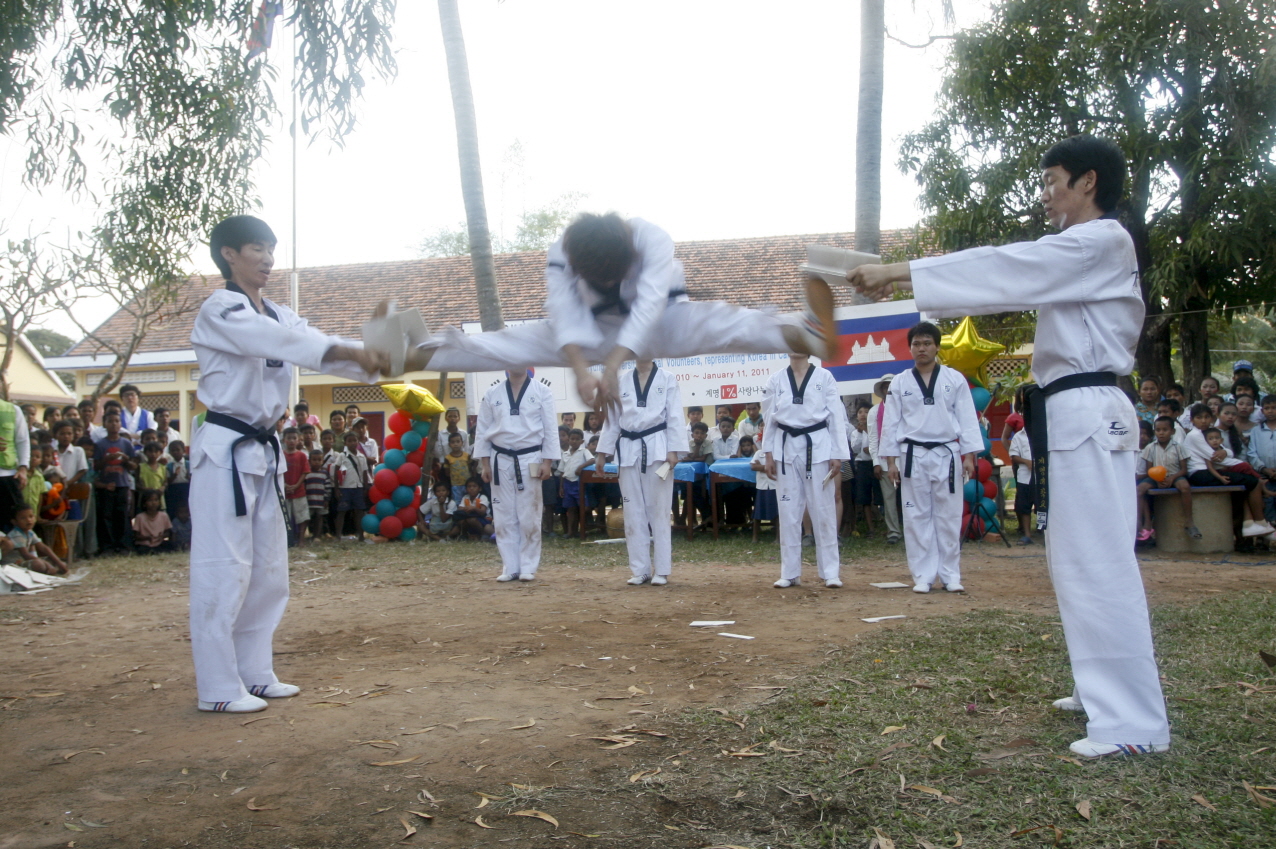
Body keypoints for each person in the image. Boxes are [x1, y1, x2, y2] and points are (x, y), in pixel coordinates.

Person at [846, 135, 1171, 759]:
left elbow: (1006, 268)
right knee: (1076, 557)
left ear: (1088, 183)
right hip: (1071, 411)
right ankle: (1099, 684)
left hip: (1086, 408)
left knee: (1095, 561)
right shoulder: (1086, 249)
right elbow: (1014, 272)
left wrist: (899, 272)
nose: (1046, 194)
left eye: (1054, 181)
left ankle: (1132, 721)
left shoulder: (1101, 240)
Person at [187, 214, 385, 714]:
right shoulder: (221, 309)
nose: (269, 260)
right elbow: (286, 346)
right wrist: (357, 353)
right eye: (258, 248)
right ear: (230, 254)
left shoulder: (278, 312)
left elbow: (320, 349)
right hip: (225, 451)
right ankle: (216, 687)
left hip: (263, 452)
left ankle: (255, 673)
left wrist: (381, 355)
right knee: (223, 569)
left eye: (273, 250)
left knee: (269, 570)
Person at [405, 213, 841, 409]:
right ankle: (414, 352)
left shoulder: (651, 238)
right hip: (590, 328)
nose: (611, 284)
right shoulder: (563, 252)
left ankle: (808, 334)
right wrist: (581, 371)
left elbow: (650, 303)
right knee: (508, 344)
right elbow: (562, 312)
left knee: (725, 325)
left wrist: (611, 369)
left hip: (663, 322)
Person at [879, 322, 982, 593]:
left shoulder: (954, 379)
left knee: (948, 516)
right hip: (912, 454)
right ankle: (923, 576)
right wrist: (891, 462)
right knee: (916, 518)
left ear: (937, 346)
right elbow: (890, 423)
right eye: (916, 344)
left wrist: (969, 456)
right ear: (910, 348)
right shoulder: (900, 382)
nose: (921, 348)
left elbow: (968, 419)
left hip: (948, 453)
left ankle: (950, 575)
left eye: (926, 343)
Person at [595, 358, 687, 585]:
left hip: (657, 447)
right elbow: (613, 420)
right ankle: (640, 569)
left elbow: (674, 415)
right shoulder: (622, 381)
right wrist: (601, 452)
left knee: (659, 510)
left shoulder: (667, 378)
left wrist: (674, 450)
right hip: (628, 448)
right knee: (633, 511)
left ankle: (662, 570)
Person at [762, 352, 848, 589]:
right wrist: (768, 452)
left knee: (824, 509)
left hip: (818, 447)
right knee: (788, 510)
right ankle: (789, 572)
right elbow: (769, 418)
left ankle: (830, 572)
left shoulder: (825, 377)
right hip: (785, 446)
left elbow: (836, 417)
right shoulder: (775, 380)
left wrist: (838, 453)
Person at [475, 368, 557, 581]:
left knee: (529, 514)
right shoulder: (492, 392)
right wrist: (485, 463)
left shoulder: (542, 391)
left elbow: (550, 429)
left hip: (530, 457)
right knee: (503, 516)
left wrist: (547, 462)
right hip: (500, 458)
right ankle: (510, 566)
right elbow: (482, 429)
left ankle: (528, 566)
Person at [1136, 417, 1197, 542]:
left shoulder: (1178, 447)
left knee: (1185, 487)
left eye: (1165, 430)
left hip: (1175, 475)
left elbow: (1184, 469)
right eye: (1158, 430)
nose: (1161, 433)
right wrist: (1157, 480)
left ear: (1173, 432)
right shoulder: (1150, 448)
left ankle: (1189, 521)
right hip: (1155, 477)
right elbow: (1149, 470)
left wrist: (1172, 478)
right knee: (1139, 490)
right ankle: (1138, 523)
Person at [866, 374, 903, 545]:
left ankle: (913, 529)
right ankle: (893, 531)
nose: (888, 390)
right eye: (886, 387)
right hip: (885, 460)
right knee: (889, 498)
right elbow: (873, 439)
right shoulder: (874, 412)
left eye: (891, 386)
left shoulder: (906, 407)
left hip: (907, 459)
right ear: (881, 391)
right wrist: (875, 462)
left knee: (912, 498)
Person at [93, 410, 136, 555]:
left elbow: (134, 466)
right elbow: (96, 466)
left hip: (122, 484)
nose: (114, 424)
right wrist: (106, 459)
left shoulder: (126, 443)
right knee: (106, 517)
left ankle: (124, 546)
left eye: (117, 421)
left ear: (120, 424)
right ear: (104, 424)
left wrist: (125, 460)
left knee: (122, 516)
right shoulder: (100, 444)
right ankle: (107, 547)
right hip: (106, 486)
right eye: (110, 421)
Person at [331, 431, 370, 541]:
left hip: (358, 488)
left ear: (358, 442)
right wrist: (337, 489)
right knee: (342, 511)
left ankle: (361, 535)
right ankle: (338, 535)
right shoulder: (342, 456)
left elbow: (364, 473)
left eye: (354, 440)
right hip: (345, 488)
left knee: (359, 512)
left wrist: (365, 488)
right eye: (349, 441)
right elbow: (336, 471)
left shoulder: (362, 457)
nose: (352, 443)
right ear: (345, 443)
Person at [5, 505, 66, 574]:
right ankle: (49, 571)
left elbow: (44, 548)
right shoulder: (16, 534)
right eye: (23, 518)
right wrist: (48, 565)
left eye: (31, 516)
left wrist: (59, 562)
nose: (28, 520)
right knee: (39, 564)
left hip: (24, 560)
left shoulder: (30, 532)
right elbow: (25, 554)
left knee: (51, 559)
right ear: (14, 522)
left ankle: (51, 570)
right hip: (14, 564)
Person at [0, 396, 31, 531]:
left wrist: (23, 468)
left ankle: (22, 551)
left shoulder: (13, 410)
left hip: (9, 476)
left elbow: (22, 441)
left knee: (16, 524)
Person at [559, 428, 592, 538]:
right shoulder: (565, 454)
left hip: (579, 483)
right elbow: (562, 472)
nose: (574, 441)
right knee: (570, 508)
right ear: (568, 440)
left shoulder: (584, 452)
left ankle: (581, 529)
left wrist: (580, 467)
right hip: (567, 483)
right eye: (572, 439)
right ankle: (570, 532)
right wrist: (561, 487)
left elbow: (592, 460)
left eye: (577, 439)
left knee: (583, 507)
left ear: (582, 441)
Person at [1008, 418, 1036, 544]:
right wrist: (1027, 462)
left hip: (1041, 476)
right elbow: (1013, 455)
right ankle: (1027, 535)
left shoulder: (1042, 433)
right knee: (1024, 506)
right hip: (1025, 476)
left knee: (1043, 505)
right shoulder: (1019, 436)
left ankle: (1045, 532)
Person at [281, 427, 309, 544]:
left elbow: (305, 472)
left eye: (294, 438)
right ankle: (286, 540)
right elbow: (279, 472)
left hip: (299, 492)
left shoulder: (302, 456)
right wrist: (285, 485)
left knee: (301, 516)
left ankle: (301, 539)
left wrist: (296, 485)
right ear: (284, 440)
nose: (292, 441)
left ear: (298, 440)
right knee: (285, 516)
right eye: (289, 438)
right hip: (284, 492)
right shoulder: (281, 455)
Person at [133, 489, 174, 553]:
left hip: (159, 543)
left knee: (172, 545)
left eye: (156, 500)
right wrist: (147, 537)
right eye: (150, 500)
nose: (153, 503)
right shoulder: (140, 517)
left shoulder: (164, 515)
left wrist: (162, 536)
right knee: (142, 550)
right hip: (145, 544)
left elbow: (168, 532)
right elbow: (136, 535)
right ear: (144, 503)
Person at [303, 449, 331, 542]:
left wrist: (326, 499)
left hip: (321, 501)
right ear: (309, 461)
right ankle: (303, 535)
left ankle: (317, 536)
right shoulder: (306, 473)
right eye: (314, 460)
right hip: (309, 500)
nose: (317, 462)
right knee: (306, 518)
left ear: (322, 461)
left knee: (319, 518)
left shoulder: (324, 473)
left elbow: (327, 487)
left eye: (319, 460)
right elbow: (304, 486)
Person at [443, 432, 473, 506]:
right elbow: (447, 473)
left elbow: (470, 469)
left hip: (467, 484)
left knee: (468, 501)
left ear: (462, 443)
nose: (455, 444)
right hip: (456, 485)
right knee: (457, 502)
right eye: (453, 442)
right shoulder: (448, 458)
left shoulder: (467, 456)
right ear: (449, 444)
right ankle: (459, 515)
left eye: (458, 441)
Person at [137, 441, 168, 510]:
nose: (153, 454)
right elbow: (136, 484)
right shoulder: (141, 467)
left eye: (156, 452)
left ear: (160, 453)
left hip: (159, 500)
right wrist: (145, 489)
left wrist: (163, 487)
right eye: (150, 452)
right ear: (145, 453)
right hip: (145, 500)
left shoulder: (163, 468)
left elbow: (165, 482)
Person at [166, 440, 191, 518]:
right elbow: (168, 481)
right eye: (173, 450)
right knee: (174, 508)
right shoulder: (169, 465)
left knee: (186, 506)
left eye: (177, 450)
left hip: (186, 488)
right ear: (170, 452)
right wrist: (174, 475)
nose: (175, 452)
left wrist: (189, 478)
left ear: (183, 451)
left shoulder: (188, 464)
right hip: (173, 489)